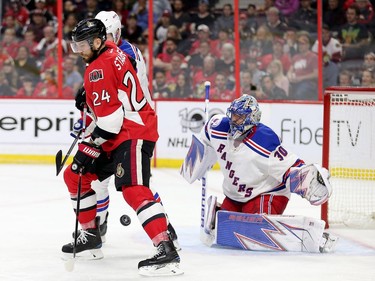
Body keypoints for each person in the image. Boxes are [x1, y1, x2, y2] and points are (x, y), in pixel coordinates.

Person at [61, 18, 182, 276]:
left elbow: (110, 123)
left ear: (97, 41)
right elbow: (114, 94)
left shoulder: (97, 69)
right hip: (121, 129)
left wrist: (87, 148)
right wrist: (91, 95)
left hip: (133, 130)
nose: (78, 50)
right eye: (76, 45)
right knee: (75, 175)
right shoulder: (114, 51)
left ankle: (166, 248)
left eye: (82, 45)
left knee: (134, 189)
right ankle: (91, 234)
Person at [181, 94, 335, 252]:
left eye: (239, 117)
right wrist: (196, 164)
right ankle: (221, 213)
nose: (234, 120)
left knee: (256, 232)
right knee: (224, 235)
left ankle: (300, 234)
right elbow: (206, 135)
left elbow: (289, 165)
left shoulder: (264, 140)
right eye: (233, 115)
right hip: (235, 196)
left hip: (267, 193)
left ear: (251, 119)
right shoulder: (217, 125)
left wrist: (309, 179)